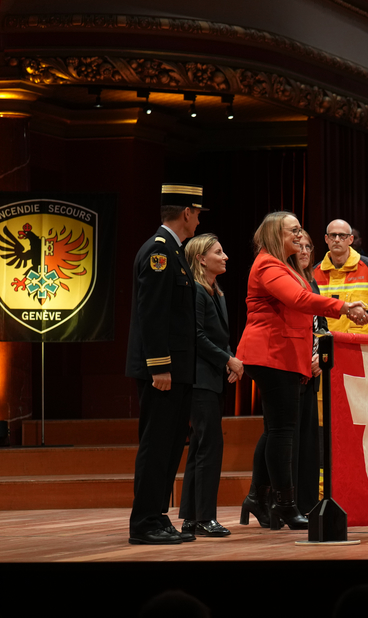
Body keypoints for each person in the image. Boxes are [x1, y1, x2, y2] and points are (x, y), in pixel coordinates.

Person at [236, 212, 364, 531]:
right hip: (270, 354)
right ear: (273, 235)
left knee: (276, 429)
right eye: (292, 230)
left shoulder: (284, 266)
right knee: (283, 431)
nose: (298, 235)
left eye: (299, 229)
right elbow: (298, 300)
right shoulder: (267, 264)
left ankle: (258, 497)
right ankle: (285, 506)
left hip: (282, 354)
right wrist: (343, 306)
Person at [126, 183, 204, 545]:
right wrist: (159, 366)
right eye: (197, 212)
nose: (198, 219)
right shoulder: (159, 252)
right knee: (157, 445)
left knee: (171, 445)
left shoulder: (174, 251)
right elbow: (152, 314)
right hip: (163, 371)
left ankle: (157, 516)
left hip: (176, 371)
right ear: (186, 212)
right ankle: (144, 521)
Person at [179, 234, 241, 538]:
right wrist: (227, 361)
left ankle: (191, 517)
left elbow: (218, 339)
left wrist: (229, 359)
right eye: (218, 252)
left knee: (201, 447)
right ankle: (205, 517)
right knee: (209, 447)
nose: (225, 256)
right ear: (202, 259)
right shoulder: (196, 292)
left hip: (212, 378)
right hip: (199, 380)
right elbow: (197, 336)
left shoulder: (217, 292)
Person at [291, 230, 326, 516]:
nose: (304, 251)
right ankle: (273, 499)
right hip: (289, 369)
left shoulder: (312, 282)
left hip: (311, 370)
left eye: (307, 246)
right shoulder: (285, 280)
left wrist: (318, 355)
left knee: (308, 442)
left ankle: (307, 502)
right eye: (298, 246)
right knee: (285, 439)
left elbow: (321, 326)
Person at [319, 219, 368, 336]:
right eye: (333, 235)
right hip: (328, 343)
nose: (337, 240)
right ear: (326, 239)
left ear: (351, 239)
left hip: (364, 344)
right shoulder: (315, 273)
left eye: (342, 236)